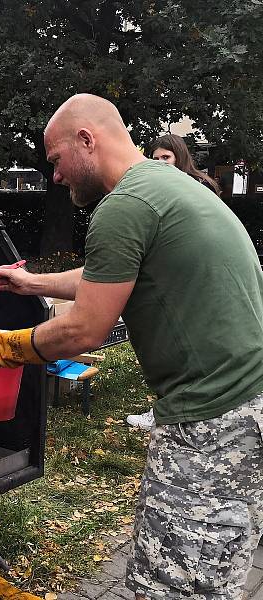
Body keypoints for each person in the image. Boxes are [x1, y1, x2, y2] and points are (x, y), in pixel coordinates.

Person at [0, 94, 263, 600]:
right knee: (217, 568)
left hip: (213, 421)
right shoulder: (164, 188)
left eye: (55, 160)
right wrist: (32, 284)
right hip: (243, 409)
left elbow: (84, 332)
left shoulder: (124, 206)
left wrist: (1, 349)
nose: (54, 176)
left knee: (173, 584)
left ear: (86, 140)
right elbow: (112, 277)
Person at [125, 133, 221, 430]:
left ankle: (181, 411)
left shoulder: (197, 187)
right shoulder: (157, 191)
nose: (160, 164)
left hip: (195, 283)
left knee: (185, 349)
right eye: (154, 159)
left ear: (180, 157)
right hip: (175, 281)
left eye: (166, 158)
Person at [148, 133, 221, 195]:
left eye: (166, 157)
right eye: (156, 159)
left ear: (179, 157)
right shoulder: (152, 186)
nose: (160, 162)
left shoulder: (200, 184)